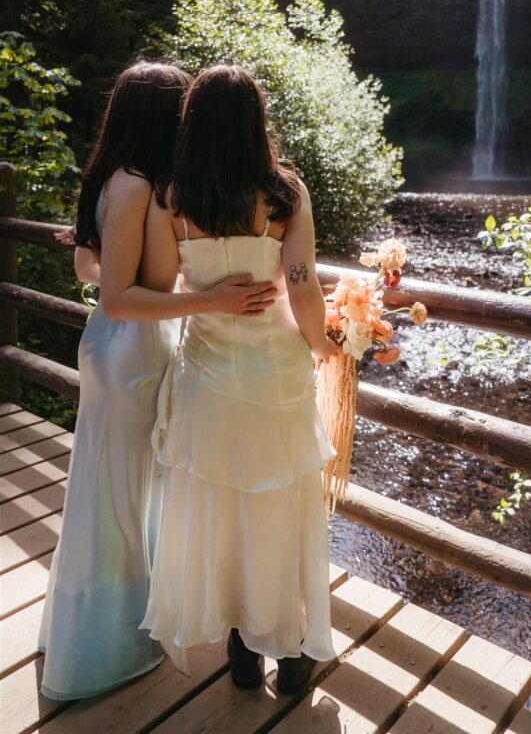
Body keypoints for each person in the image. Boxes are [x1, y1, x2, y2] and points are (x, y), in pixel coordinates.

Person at [39, 62, 278, 701]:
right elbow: (120, 296)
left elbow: (90, 265)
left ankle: (105, 630)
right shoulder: (141, 184)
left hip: (118, 350)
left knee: (110, 493)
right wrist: (213, 302)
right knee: (117, 501)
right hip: (130, 349)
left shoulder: (114, 177)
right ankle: (106, 647)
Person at [140, 63, 339, 694]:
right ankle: (290, 643)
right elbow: (303, 288)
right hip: (276, 377)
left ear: (193, 124)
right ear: (257, 122)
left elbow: (157, 286)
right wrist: (325, 345)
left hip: (206, 378)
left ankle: (240, 648)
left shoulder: (171, 197)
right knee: (281, 510)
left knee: (220, 510)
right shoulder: (284, 194)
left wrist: (207, 291)